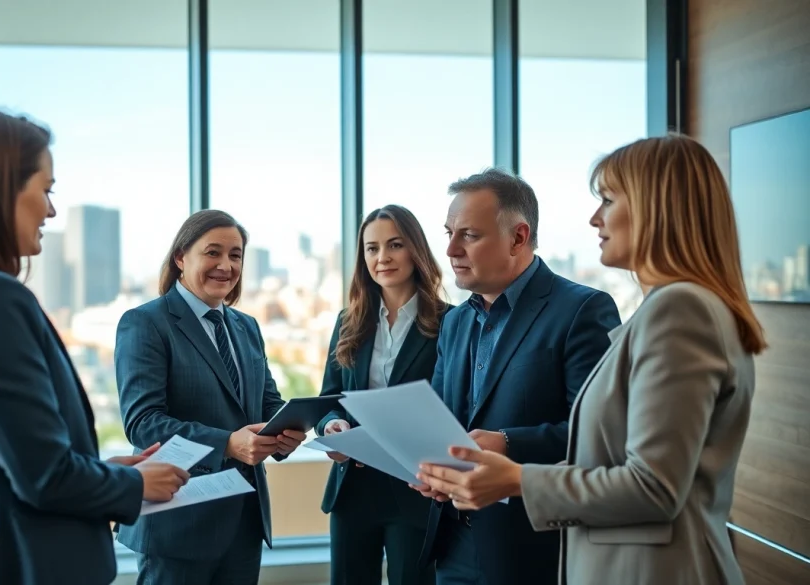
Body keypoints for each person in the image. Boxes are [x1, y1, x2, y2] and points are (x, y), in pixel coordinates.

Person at [418, 135, 765, 585]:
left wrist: (516, 478)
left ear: (655, 208)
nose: (594, 217)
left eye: (608, 199)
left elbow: (652, 487)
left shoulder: (681, 310)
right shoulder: (669, 308)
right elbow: (609, 458)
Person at [0, 106, 189, 585]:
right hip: (14, 565)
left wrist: (99, 471)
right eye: (45, 190)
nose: (50, 210)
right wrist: (132, 484)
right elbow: (43, 477)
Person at [412, 168, 622, 585]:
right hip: (452, 544)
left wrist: (508, 443)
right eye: (448, 233)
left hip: (535, 551)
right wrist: (430, 467)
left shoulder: (583, 311)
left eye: (468, 235)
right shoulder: (454, 323)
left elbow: (600, 439)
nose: (451, 249)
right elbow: (437, 420)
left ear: (518, 237)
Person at [114, 209, 305, 585]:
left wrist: (286, 431)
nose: (226, 265)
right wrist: (227, 444)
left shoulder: (245, 326)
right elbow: (143, 422)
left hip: (244, 523)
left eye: (235, 255)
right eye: (213, 252)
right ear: (181, 258)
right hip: (178, 526)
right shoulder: (146, 322)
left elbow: (267, 403)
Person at [314, 205, 451, 585]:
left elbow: (453, 406)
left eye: (394, 245)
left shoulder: (449, 322)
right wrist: (332, 428)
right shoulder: (349, 321)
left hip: (416, 488)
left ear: (416, 251)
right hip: (354, 489)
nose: (382, 257)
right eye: (371, 249)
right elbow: (328, 401)